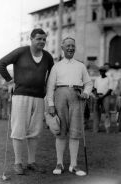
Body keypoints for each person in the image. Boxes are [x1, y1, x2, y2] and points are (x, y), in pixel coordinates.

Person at [0, 28, 54, 175]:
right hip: (21, 96)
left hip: (39, 97)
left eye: (44, 39)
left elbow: (52, 74)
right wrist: (10, 81)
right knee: (19, 129)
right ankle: (18, 163)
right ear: (31, 39)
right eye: (39, 38)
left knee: (35, 131)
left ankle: (31, 162)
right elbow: (0, 64)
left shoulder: (47, 57)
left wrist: (48, 88)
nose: (42, 41)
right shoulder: (21, 52)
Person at [46, 37, 92, 176]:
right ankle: (59, 163)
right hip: (60, 96)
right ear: (62, 48)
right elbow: (50, 87)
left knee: (75, 132)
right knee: (60, 131)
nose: (70, 48)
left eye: (73, 46)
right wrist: (51, 104)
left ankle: (74, 165)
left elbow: (88, 83)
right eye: (68, 46)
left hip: (77, 97)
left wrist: (86, 93)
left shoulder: (81, 65)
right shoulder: (56, 66)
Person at [93, 66, 113, 133]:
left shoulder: (109, 78)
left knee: (107, 112)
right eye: (100, 71)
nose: (101, 72)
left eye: (103, 71)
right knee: (96, 112)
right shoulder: (97, 79)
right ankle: (95, 129)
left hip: (106, 96)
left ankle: (107, 129)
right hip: (98, 96)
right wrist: (96, 95)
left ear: (105, 71)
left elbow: (110, 89)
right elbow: (95, 88)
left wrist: (103, 96)